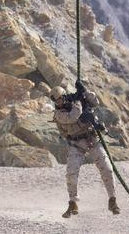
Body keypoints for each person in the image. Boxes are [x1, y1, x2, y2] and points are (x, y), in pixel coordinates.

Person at [51, 81, 120, 218]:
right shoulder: (59, 114)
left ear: (64, 96)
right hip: (76, 143)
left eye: (59, 98)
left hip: (92, 139)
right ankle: (73, 203)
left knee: (107, 168)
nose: (58, 102)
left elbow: (95, 102)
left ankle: (112, 200)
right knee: (71, 173)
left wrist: (84, 92)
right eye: (55, 100)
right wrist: (78, 100)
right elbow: (74, 117)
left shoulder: (76, 100)